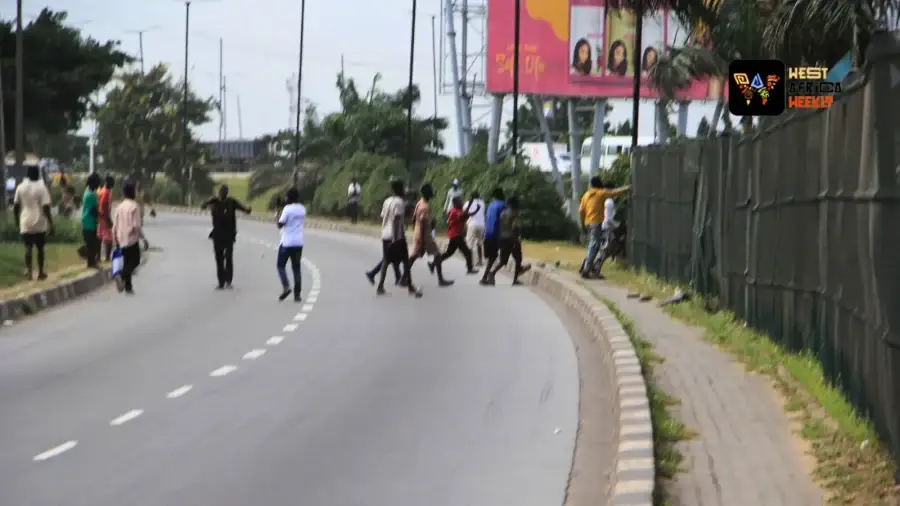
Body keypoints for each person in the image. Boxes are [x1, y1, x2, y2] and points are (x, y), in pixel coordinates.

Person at [200, 184, 252, 289]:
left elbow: (244, 209)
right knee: (219, 258)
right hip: (217, 234)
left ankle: (228, 280)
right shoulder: (214, 201)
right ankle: (221, 282)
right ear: (219, 193)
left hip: (229, 234)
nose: (223, 194)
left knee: (228, 257)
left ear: (227, 193)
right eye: (222, 192)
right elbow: (203, 206)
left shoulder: (232, 202)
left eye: (225, 192)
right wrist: (207, 202)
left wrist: (247, 209)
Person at [375, 179, 421, 297]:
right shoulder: (399, 203)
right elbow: (396, 219)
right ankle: (410, 287)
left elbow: (383, 216)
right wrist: (396, 239)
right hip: (397, 236)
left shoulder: (387, 201)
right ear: (400, 189)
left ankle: (380, 286)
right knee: (405, 261)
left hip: (385, 234)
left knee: (386, 261)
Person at [578, 176, 630, 279]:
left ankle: (586, 267)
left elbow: (581, 211)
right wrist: (628, 187)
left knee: (593, 245)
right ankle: (586, 270)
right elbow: (614, 192)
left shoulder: (586, 195)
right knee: (594, 246)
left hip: (588, 222)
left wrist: (582, 225)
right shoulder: (600, 193)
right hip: (596, 222)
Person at [13, 165, 53, 281]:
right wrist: (50, 222)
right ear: (38, 174)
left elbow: (16, 206)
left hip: (25, 221)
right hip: (40, 222)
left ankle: (29, 271)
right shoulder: (42, 188)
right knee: (40, 248)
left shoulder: (20, 187)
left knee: (27, 247)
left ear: (27, 175)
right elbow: (46, 207)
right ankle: (40, 272)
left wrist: (17, 221)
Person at [409, 183, 453, 287]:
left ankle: (403, 278)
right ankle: (441, 280)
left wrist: (416, 230)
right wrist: (423, 240)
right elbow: (423, 222)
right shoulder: (425, 207)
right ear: (428, 195)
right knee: (437, 254)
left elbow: (414, 219)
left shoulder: (419, 203)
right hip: (424, 235)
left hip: (418, 233)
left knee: (414, 256)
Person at [487, 196, 531, 285]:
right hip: (512, 238)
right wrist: (516, 239)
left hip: (502, 238)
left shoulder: (503, 213)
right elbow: (515, 227)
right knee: (518, 259)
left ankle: (492, 273)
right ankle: (515, 279)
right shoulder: (515, 214)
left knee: (503, 260)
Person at [432, 196, 479, 274]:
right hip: (456, 235)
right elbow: (462, 216)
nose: (461, 203)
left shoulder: (458, 210)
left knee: (449, 253)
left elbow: (466, 215)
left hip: (455, 235)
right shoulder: (454, 211)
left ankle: (433, 264)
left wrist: (475, 210)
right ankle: (470, 269)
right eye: (460, 201)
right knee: (467, 252)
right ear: (455, 203)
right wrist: (470, 205)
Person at [112, 181, 142, 294]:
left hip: (121, 239)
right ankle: (122, 275)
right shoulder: (134, 206)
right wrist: (142, 237)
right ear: (133, 191)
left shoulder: (119, 206)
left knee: (126, 262)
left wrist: (115, 238)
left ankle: (128, 287)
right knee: (135, 261)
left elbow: (115, 225)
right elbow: (136, 226)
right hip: (131, 239)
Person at [276, 187, 306, 302]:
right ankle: (297, 295)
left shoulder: (287, 209)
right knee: (296, 268)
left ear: (289, 197)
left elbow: (280, 225)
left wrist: (278, 213)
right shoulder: (302, 209)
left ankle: (286, 286)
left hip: (287, 242)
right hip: (298, 242)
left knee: (280, 266)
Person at [479, 187, 506, 286]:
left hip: (487, 233)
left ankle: (486, 276)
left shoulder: (491, 205)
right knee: (500, 256)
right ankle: (488, 275)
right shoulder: (503, 205)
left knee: (492, 257)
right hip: (497, 234)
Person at [80, 173, 102, 268]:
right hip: (89, 221)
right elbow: (93, 210)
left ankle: (91, 261)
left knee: (92, 243)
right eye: (97, 184)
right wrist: (100, 217)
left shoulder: (88, 192)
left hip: (88, 221)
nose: (98, 186)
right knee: (92, 243)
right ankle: (91, 262)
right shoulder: (90, 195)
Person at [464, 190, 486, 266]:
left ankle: (469, 262)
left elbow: (465, 213)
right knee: (479, 243)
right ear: (478, 196)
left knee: (469, 244)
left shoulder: (468, 203)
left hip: (472, 224)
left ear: (471, 196)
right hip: (481, 225)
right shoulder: (482, 203)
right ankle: (480, 261)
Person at [97, 175, 115, 262]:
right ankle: (107, 257)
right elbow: (104, 205)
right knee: (109, 238)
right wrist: (108, 219)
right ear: (108, 182)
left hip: (100, 217)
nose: (113, 184)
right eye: (112, 183)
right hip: (104, 217)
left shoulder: (102, 190)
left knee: (100, 236)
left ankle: (98, 257)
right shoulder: (106, 192)